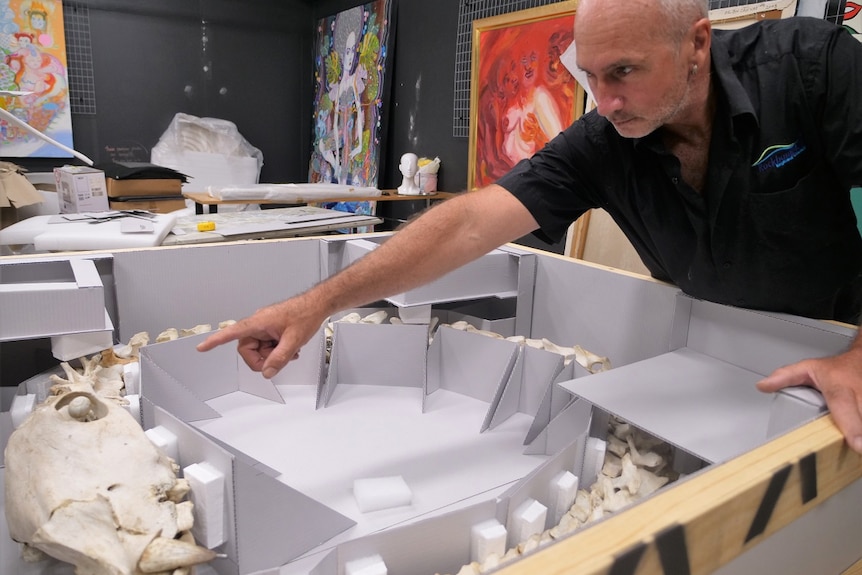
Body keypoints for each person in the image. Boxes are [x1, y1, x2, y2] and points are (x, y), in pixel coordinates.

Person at [199, 0, 862, 452]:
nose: (604, 101)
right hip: (717, 367)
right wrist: (315, 305)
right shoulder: (605, 138)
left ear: (695, 44)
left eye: (624, 73)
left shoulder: (812, 68)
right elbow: (471, 223)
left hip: (843, 360)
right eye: (591, 76)